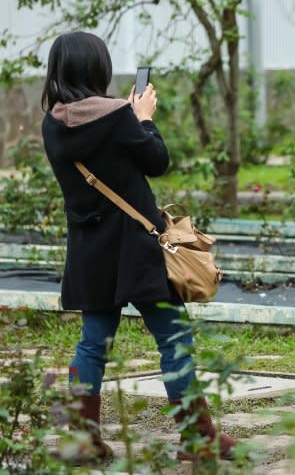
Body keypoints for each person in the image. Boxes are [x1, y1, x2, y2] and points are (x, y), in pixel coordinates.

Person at [40, 32, 236, 462]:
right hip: (138, 246)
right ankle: (197, 438)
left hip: (90, 251)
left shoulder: (52, 123)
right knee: (173, 338)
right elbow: (157, 160)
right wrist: (143, 117)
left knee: (92, 343)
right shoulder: (117, 116)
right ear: (98, 68)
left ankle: (82, 439)